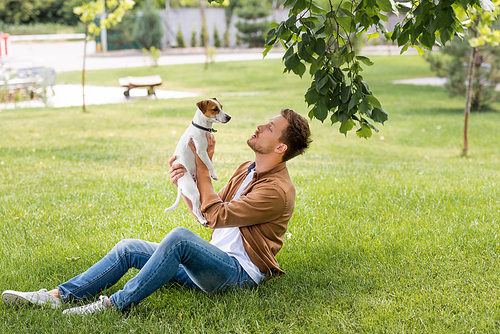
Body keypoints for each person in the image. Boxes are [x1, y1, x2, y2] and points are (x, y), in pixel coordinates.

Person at [1, 108, 312, 315]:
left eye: (270, 127)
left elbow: (217, 215)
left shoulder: (276, 191)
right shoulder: (247, 170)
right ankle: (57, 297)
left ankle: (113, 305)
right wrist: (187, 181)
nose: (260, 126)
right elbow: (208, 217)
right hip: (211, 264)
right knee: (128, 248)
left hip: (236, 276)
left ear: (280, 147)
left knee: (178, 238)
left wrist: (202, 164)